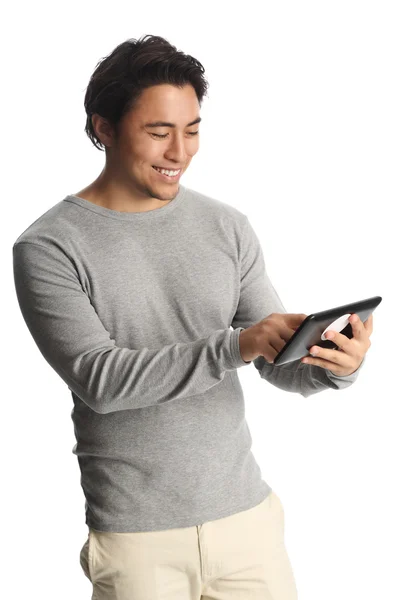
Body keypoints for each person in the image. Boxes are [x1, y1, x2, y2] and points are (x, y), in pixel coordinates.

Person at [12, 34, 372, 600]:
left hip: (247, 523)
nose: (180, 151)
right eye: (158, 132)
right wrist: (235, 346)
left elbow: (274, 359)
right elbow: (100, 381)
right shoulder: (50, 247)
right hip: (138, 541)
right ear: (103, 127)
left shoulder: (227, 227)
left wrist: (331, 364)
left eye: (193, 129)